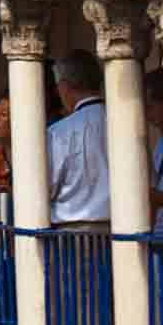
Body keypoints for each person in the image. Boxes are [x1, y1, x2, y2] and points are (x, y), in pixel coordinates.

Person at [45, 56, 111, 230]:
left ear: (65, 87)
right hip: (122, 230)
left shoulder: (60, 131)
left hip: (73, 233)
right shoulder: (125, 123)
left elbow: (45, 186)